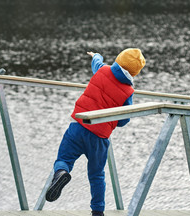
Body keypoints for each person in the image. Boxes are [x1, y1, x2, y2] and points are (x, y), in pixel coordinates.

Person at [45, 48, 146, 216]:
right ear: (135, 73)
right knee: (97, 175)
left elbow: (96, 63)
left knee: (64, 158)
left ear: (118, 60)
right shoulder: (128, 92)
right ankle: (97, 211)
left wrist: (95, 55)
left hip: (78, 127)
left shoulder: (103, 70)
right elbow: (124, 120)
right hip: (99, 137)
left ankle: (61, 173)